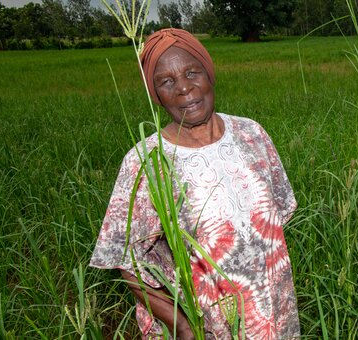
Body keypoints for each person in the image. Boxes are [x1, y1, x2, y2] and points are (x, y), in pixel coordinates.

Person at [90, 28, 300, 339]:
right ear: (155, 95)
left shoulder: (252, 134)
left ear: (209, 73)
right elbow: (128, 263)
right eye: (166, 81)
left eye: (192, 72)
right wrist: (184, 327)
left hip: (272, 314)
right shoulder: (146, 161)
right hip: (205, 326)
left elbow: (274, 227)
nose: (185, 89)